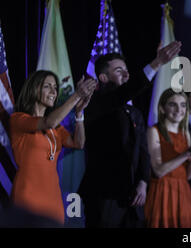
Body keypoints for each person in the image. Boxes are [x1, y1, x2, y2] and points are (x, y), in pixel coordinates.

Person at [79, 41, 181, 228]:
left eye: (126, 69)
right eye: (119, 71)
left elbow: (143, 149)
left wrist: (143, 181)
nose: (126, 74)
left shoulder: (133, 111)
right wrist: (156, 63)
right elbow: (124, 93)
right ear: (103, 77)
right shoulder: (96, 103)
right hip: (105, 195)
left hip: (134, 197)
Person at [9, 70, 96, 225]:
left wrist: (79, 112)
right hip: (28, 199)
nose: (53, 92)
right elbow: (48, 122)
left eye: (55, 87)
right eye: (47, 86)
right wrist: (76, 95)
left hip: (53, 201)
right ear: (34, 89)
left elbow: (78, 143)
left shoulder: (56, 129)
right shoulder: (19, 119)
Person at [144, 88, 191, 227]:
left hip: (183, 194)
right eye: (172, 104)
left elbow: (188, 175)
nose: (178, 109)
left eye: (183, 105)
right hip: (162, 193)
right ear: (163, 108)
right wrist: (186, 154)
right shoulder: (154, 131)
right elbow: (158, 171)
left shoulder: (186, 134)